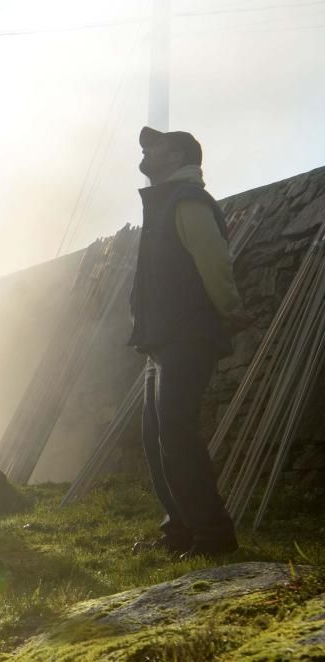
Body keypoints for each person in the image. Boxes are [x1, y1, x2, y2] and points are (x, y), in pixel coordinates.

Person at [130, 126, 252, 559]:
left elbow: (214, 259)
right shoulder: (165, 203)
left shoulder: (187, 202)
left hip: (187, 334)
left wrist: (229, 309)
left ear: (177, 154)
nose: (144, 149)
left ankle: (213, 535)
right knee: (156, 436)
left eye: (155, 145)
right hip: (162, 339)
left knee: (176, 433)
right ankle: (179, 530)